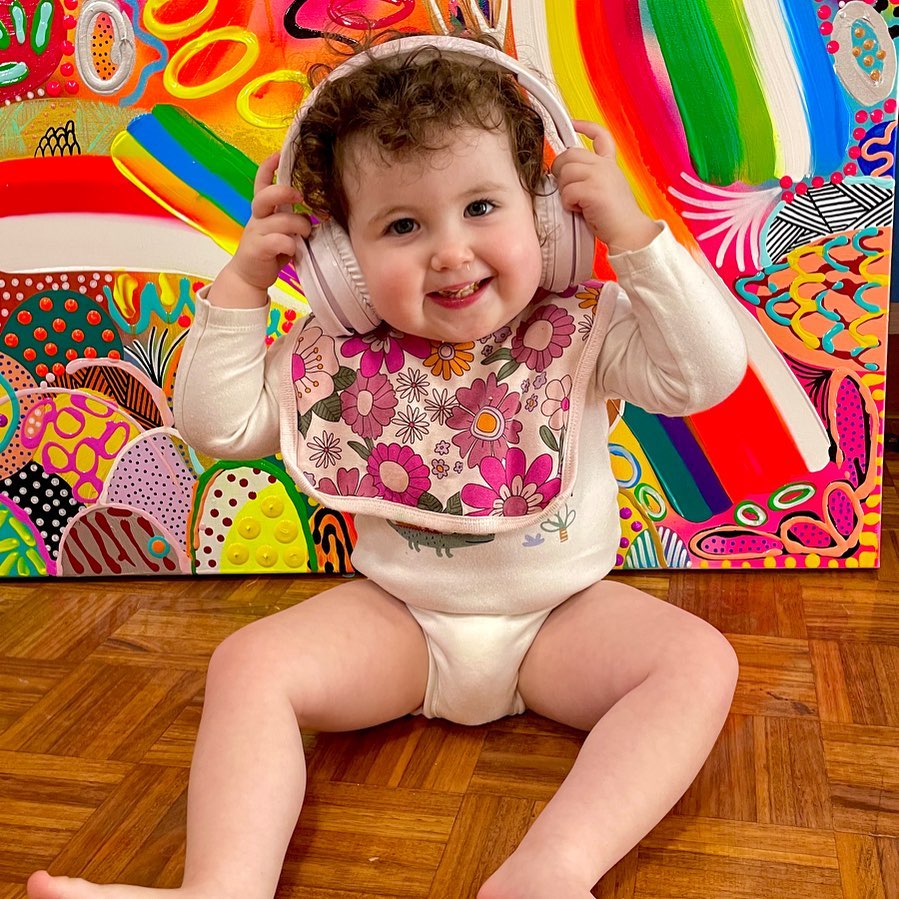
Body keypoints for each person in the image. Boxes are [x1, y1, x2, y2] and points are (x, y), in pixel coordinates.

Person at [28, 30, 747, 899]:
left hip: (564, 620)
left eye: (482, 208)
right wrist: (243, 285)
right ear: (341, 263)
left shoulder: (581, 330)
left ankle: (548, 870)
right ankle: (219, 891)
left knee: (697, 663)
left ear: (547, 217)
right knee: (249, 664)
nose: (449, 250)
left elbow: (706, 370)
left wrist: (636, 241)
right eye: (402, 225)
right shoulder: (338, 353)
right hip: (402, 623)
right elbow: (216, 425)